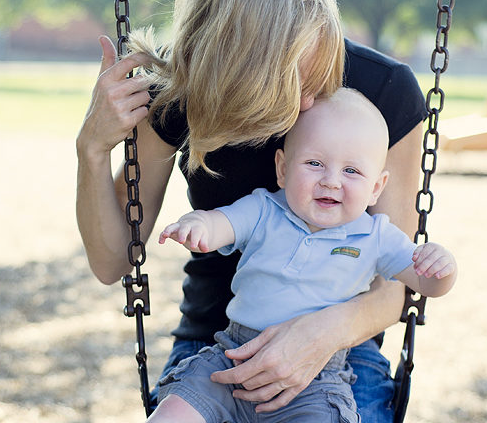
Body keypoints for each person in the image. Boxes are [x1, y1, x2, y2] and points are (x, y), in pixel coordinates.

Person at [76, 0, 429, 420]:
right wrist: (93, 151)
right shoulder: (184, 88)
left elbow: (398, 285)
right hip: (219, 338)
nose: (309, 103)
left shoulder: (384, 92)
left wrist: (318, 336)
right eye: (288, 82)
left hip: (342, 345)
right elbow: (112, 261)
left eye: (318, 71)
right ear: (232, 66)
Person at [149, 88, 457, 423]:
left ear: (376, 187)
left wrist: (441, 267)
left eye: (351, 171)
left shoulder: (376, 236)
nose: (331, 181)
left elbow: (426, 284)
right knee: (174, 413)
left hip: (314, 381)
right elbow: (222, 223)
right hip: (231, 357)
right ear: (282, 169)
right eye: (314, 163)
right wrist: (199, 226)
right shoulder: (264, 208)